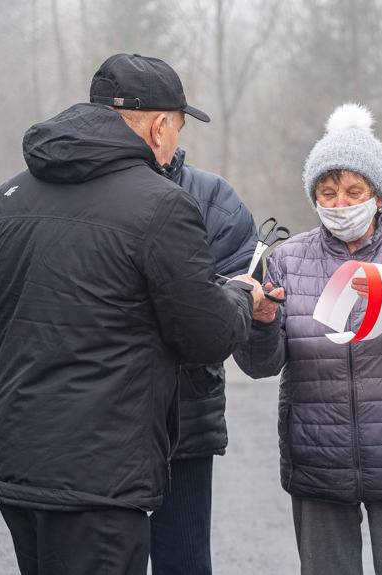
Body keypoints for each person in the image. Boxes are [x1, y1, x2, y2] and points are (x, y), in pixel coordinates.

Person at [0, 53, 268, 575]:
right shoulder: (162, 204)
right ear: (157, 128)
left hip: (20, 468)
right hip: (103, 479)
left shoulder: (8, 198)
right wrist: (243, 296)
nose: (176, 143)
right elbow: (206, 335)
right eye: (176, 127)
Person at [234, 103, 382, 575]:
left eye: (352, 191)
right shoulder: (288, 258)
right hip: (317, 456)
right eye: (327, 192)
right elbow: (262, 364)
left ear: (379, 195)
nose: (339, 204)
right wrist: (259, 322)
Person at [149, 148, 258, 574]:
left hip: (187, 419)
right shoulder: (73, 191)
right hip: (96, 427)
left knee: (185, 561)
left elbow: (226, 317)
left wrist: (238, 298)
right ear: (161, 125)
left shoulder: (212, 198)